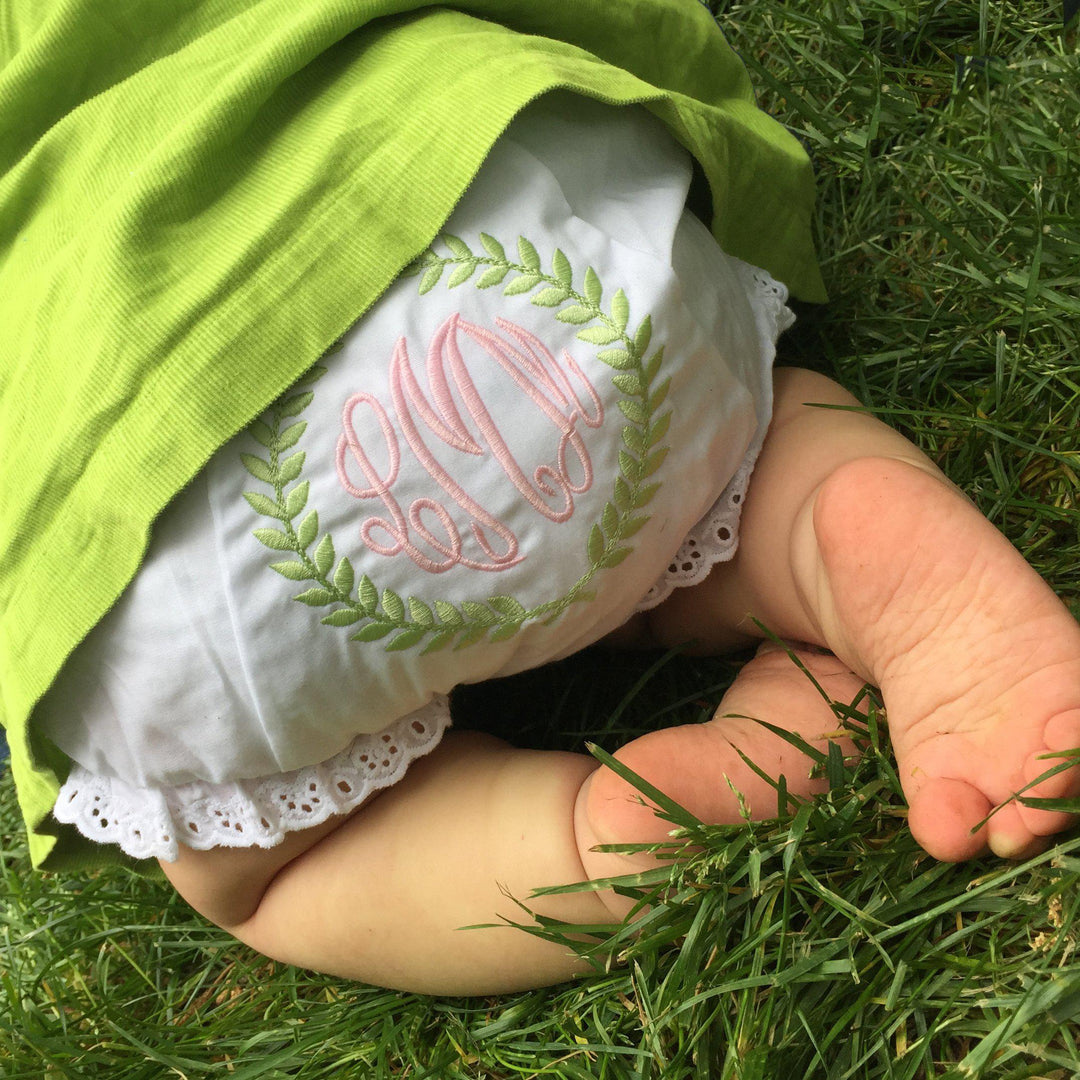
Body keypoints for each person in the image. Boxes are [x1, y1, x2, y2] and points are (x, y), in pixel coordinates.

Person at [3, 1, 1077, 998]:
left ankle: (590, 847)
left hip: (196, 570)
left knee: (260, 875)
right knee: (745, 464)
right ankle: (831, 534)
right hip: (526, 260)